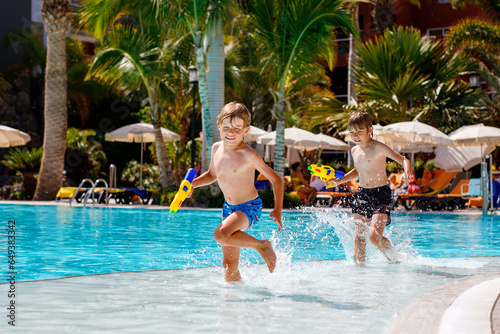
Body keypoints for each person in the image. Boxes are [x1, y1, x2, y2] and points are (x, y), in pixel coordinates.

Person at [190, 102, 283, 281]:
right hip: (228, 209)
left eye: (237, 128)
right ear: (219, 126)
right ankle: (235, 300)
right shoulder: (216, 148)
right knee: (229, 267)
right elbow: (212, 175)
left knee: (221, 235)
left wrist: (277, 209)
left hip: (249, 207)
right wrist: (193, 184)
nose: (230, 132)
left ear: (245, 130)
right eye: (226, 127)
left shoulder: (249, 155)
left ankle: (261, 246)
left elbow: (276, 180)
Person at [326, 110, 414, 264]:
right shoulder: (354, 150)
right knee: (359, 239)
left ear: (370, 130)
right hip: (361, 195)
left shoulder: (378, 147)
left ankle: (394, 259)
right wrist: (338, 181)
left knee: (374, 237)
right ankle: (360, 274)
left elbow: (404, 160)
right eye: (352, 132)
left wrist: (407, 172)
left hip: (380, 194)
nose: (356, 136)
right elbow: (358, 171)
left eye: (360, 131)